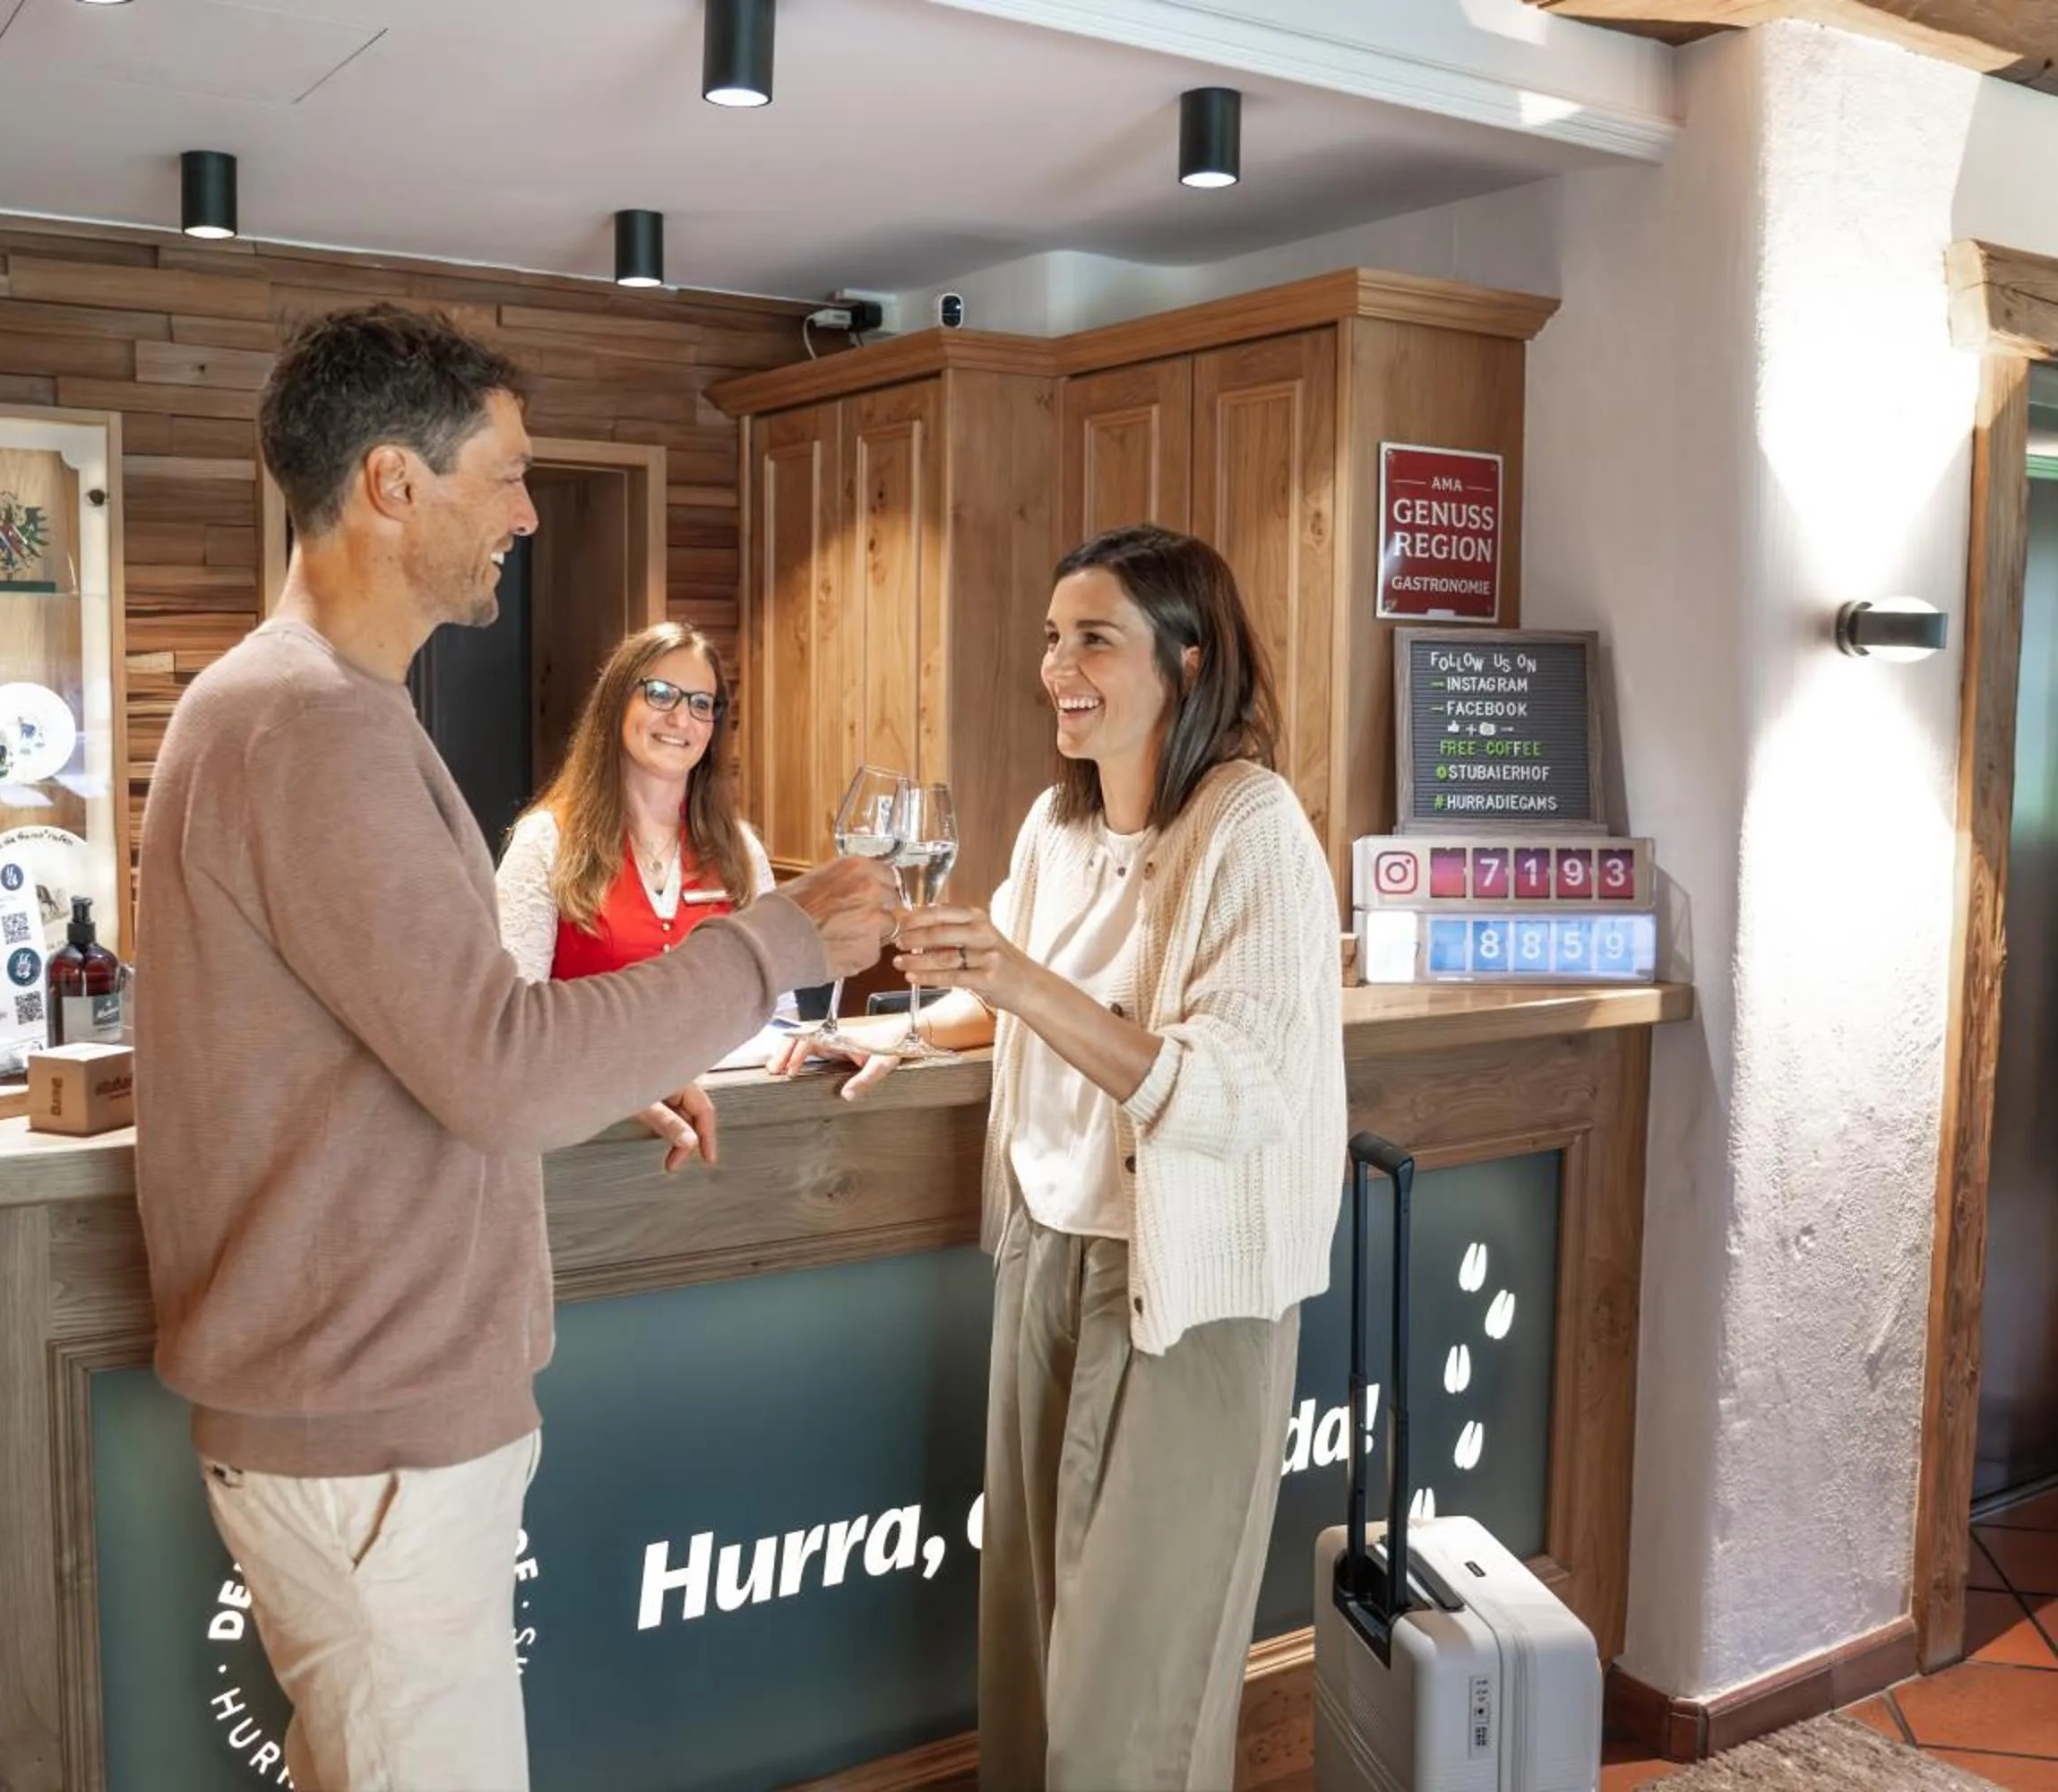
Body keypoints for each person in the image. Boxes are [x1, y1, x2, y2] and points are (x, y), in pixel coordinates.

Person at [132, 302, 898, 1792]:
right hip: (375, 1441)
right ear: (391, 487)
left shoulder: (306, 709)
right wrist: (776, 944)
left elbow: (423, 1059)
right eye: (503, 474)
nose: (530, 512)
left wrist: (602, 1076)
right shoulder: (315, 729)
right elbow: (496, 1063)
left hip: (359, 1426)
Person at [775, 524, 1346, 1791]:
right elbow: (1015, 1002)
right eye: (1051, 638)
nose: (1057, 668)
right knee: (1030, 1673)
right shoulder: (1058, 823)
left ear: (1189, 663)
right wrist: (902, 1028)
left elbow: (1229, 1092)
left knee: (1130, 1704)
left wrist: (1013, 974)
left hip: (1182, 1298)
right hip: (1044, 1252)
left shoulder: (1250, 829)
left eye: (1095, 638)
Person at [495, 620, 797, 1173]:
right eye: (660, 694)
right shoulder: (546, 841)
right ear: (616, 704)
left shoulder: (741, 850)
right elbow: (512, 1031)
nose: (680, 718)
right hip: (584, 1149)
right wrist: (621, 1082)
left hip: (729, 1140)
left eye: (701, 703)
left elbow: (777, 1015)